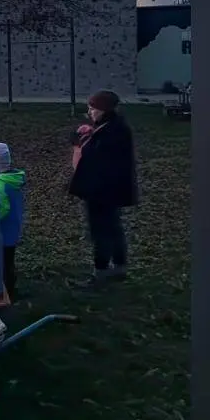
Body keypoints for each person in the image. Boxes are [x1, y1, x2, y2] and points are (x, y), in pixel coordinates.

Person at [68, 90, 139, 286]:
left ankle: (101, 271)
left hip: (102, 190)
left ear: (104, 110)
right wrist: (88, 133)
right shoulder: (112, 127)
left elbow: (92, 158)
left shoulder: (112, 132)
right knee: (113, 227)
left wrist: (80, 143)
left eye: (93, 108)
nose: (89, 112)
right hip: (109, 189)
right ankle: (119, 267)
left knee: (101, 231)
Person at [0, 143, 26, 297]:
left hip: (2, 232)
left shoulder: (0, 184)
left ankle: (4, 292)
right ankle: (10, 288)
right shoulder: (14, 179)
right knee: (9, 261)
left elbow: (2, 209)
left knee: (2, 263)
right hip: (14, 228)